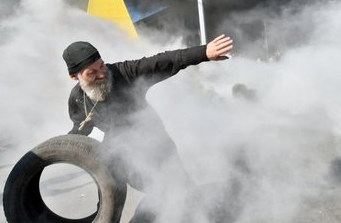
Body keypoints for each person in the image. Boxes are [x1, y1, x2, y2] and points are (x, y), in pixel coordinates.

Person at [62, 35, 233, 222]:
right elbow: (79, 131)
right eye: (92, 72)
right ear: (74, 77)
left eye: (101, 65)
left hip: (156, 147)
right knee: (107, 201)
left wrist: (203, 53)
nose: (101, 74)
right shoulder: (77, 98)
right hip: (117, 153)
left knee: (182, 198)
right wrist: (56, 151)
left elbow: (163, 61)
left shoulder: (124, 73)